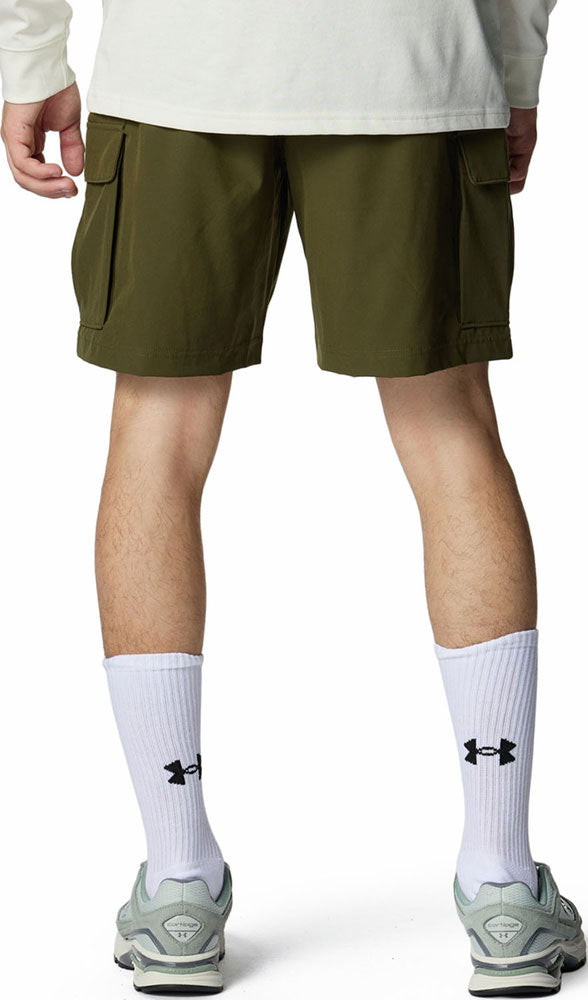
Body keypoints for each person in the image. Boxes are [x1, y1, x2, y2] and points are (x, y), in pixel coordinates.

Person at [0, 1, 584, 995]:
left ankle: (178, 886)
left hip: (179, 67)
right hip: (408, 61)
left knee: (156, 436)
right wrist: (512, 67)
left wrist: (31, 58)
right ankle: (502, 885)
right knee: (449, 428)